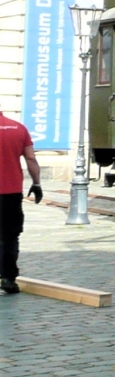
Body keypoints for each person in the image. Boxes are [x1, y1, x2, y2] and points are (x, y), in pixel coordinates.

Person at [0, 109, 44, 294]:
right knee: (9, 237)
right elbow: (31, 159)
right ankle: (9, 278)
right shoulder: (19, 128)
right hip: (11, 193)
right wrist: (37, 183)